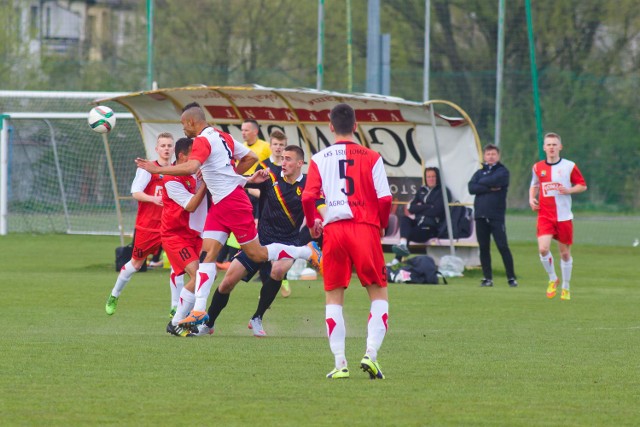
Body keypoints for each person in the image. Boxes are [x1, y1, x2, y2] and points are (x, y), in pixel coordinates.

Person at [134, 102, 322, 326]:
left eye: (184, 124)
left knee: (258, 254)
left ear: (192, 122)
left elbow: (192, 167)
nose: (183, 129)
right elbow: (251, 157)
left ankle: (305, 251)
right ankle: (199, 310)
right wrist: (233, 177)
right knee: (207, 256)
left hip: (233, 203)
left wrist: (157, 169)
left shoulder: (203, 140)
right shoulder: (223, 136)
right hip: (220, 203)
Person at [302, 103, 392, 380]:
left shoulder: (319, 158)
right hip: (364, 227)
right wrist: (381, 225)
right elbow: (385, 199)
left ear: (330, 127)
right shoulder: (372, 156)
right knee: (378, 291)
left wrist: (313, 222)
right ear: (355, 126)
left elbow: (308, 197)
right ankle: (371, 354)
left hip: (335, 230)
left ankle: (340, 362)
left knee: (333, 296)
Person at [194, 145, 322, 337]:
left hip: (288, 241)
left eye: (288, 159)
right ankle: (209, 322)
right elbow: (239, 183)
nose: (283, 162)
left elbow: (318, 202)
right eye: (282, 158)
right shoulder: (269, 176)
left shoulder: (308, 185)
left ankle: (257, 318)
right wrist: (218, 177)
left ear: (300, 164)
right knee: (228, 281)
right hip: (259, 241)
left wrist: (320, 218)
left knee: (278, 270)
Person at [105, 132, 175, 315]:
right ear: (157, 149)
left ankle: (176, 308)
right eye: (163, 145)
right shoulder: (147, 169)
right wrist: (153, 198)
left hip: (171, 226)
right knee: (135, 264)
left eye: (169, 145)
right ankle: (114, 294)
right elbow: (135, 192)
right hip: (148, 226)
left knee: (178, 266)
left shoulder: (177, 170)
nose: (166, 148)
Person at [161, 137, 210, 337]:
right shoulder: (170, 179)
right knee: (198, 275)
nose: (198, 159)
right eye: (194, 154)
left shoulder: (192, 174)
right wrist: (204, 184)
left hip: (194, 234)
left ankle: (189, 319)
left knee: (206, 276)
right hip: (175, 235)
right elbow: (190, 205)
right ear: (182, 156)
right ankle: (176, 322)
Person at [529, 132, 587, 301]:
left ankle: (566, 287)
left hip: (563, 216)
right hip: (545, 216)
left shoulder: (569, 166)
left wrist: (569, 190)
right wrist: (531, 199)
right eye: (549, 144)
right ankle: (553, 278)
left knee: (564, 254)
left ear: (560, 147)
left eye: (555, 144)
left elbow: (582, 186)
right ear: (544, 148)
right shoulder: (537, 167)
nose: (552, 147)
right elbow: (534, 185)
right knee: (543, 249)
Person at [468, 144, 518, 287]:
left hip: (496, 216)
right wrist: (489, 187)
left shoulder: (503, 172)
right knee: (484, 247)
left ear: (498, 156)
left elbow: (496, 181)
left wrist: (482, 185)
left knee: (502, 246)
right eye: (488, 154)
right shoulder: (479, 173)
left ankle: (511, 277)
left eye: (493, 154)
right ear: (484, 156)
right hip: (480, 215)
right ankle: (487, 278)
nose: (490, 156)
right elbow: (471, 188)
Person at [390, 167, 451, 264]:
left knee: (407, 233)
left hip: (430, 227)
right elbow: (411, 208)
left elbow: (437, 211)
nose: (430, 179)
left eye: (433, 177)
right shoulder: (422, 190)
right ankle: (402, 245)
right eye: (428, 177)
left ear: (437, 178)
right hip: (418, 223)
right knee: (405, 219)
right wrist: (428, 206)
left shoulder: (443, 191)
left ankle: (397, 260)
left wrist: (420, 208)